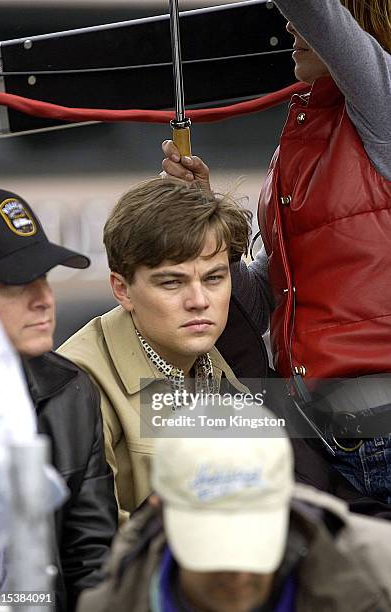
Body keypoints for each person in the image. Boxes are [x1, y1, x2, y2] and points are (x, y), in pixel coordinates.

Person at [161, 0, 391, 505]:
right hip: (322, 445)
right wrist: (205, 223)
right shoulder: (300, 135)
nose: (290, 25)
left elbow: (315, 12)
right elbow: (260, 301)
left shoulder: (386, 100)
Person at [58, 177, 255, 522]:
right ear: (122, 289)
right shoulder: (78, 384)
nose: (198, 301)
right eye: (171, 282)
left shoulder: (214, 364)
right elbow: (86, 547)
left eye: (214, 278)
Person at [76, 431, 391, 612]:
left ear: (288, 509)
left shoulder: (379, 575)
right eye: (213, 545)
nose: (239, 571)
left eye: (255, 540)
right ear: (161, 513)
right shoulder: (111, 605)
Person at [0, 186, 118, 612]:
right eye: (16, 284)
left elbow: (90, 555)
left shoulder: (69, 389)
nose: (44, 299)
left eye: (44, 277)